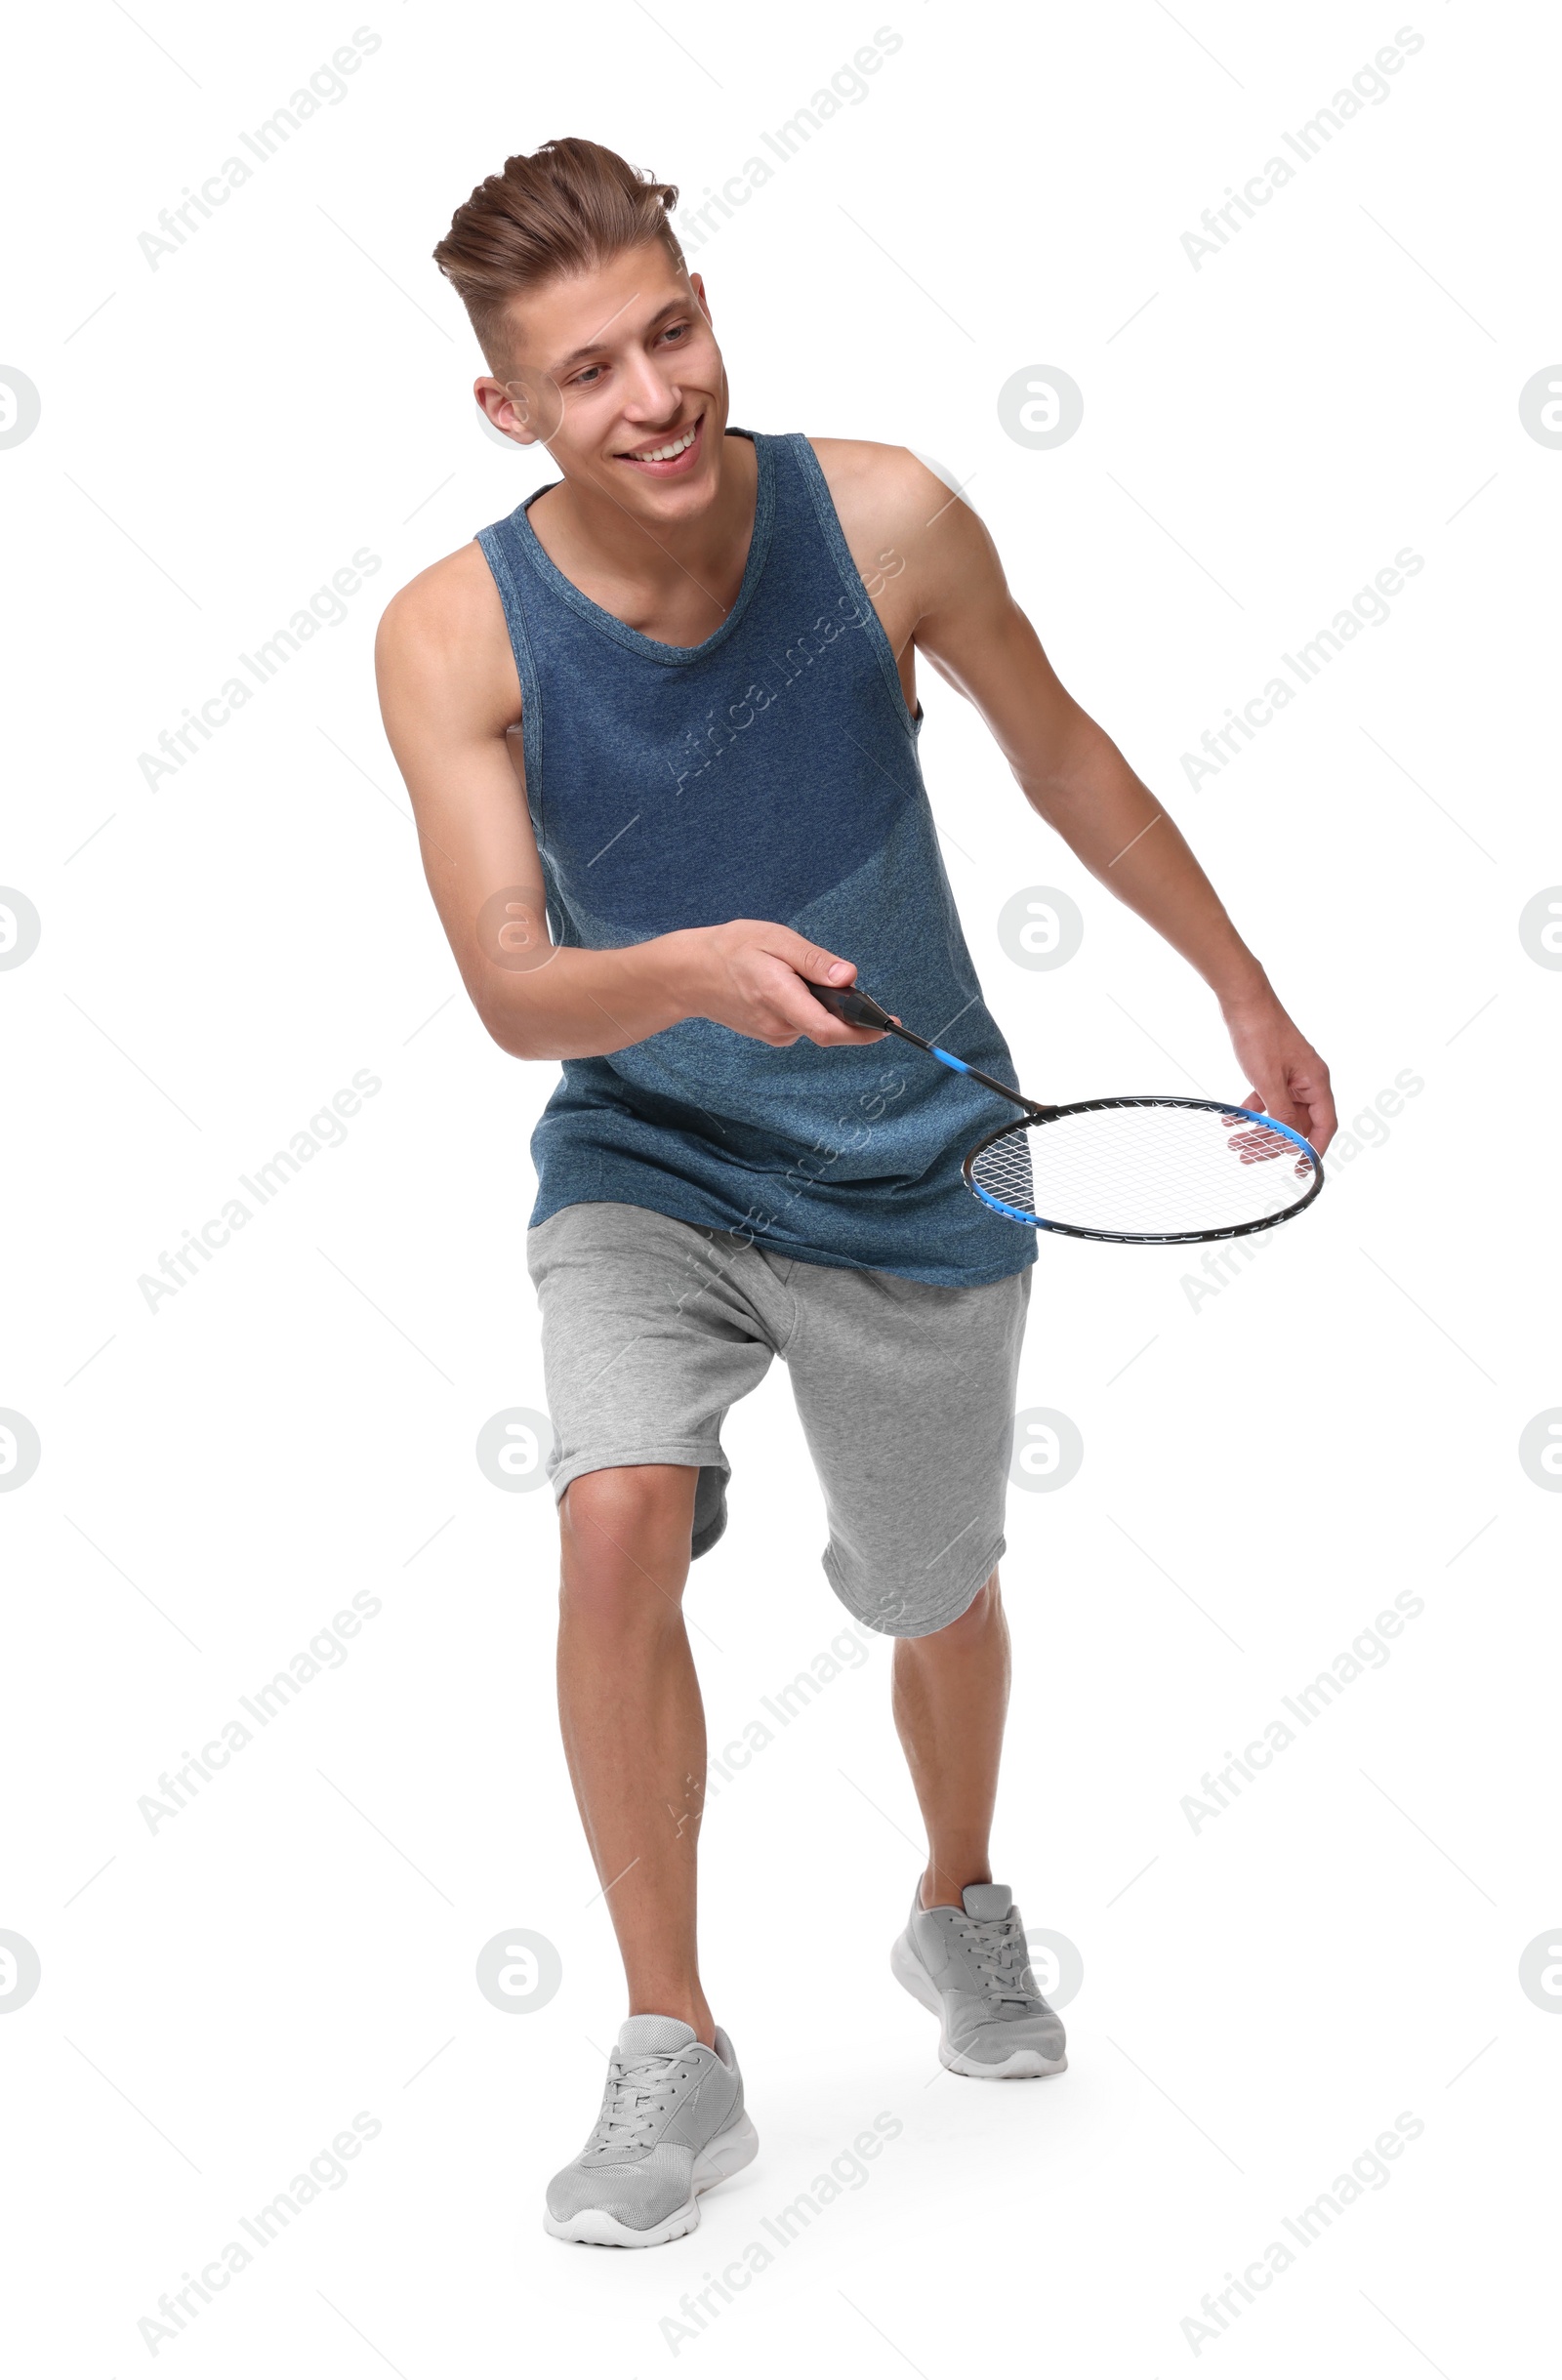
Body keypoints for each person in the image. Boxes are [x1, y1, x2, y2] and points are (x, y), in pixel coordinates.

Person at [375, 136, 1336, 2249]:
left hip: (918, 1164)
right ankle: (671, 2047)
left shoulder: (882, 515)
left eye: (673, 330)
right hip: (646, 1154)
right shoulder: (451, 639)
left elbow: (1061, 748)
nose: (654, 396)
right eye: (588, 371)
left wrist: (1239, 986)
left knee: (926, 1591)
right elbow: (514, 989)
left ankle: (953, 1896)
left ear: (703, 306)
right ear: (505, 407)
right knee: (613, 1507)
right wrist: (695, 972)